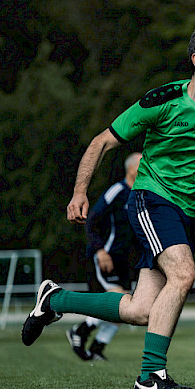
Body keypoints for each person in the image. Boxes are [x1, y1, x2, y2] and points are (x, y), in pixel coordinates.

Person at [22, 23, 195, 389]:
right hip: (151, 200)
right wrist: (80, 192)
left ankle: (54, 299)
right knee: (184, 275)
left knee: (142, 310)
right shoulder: (160, 101)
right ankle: (150, 375)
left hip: (190, 215)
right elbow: (101, 143)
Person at [66, 152, 142, 361]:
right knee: (117, 300)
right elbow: (92, 221)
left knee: (126, 307)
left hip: (125, 262)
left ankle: (98, 349)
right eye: (144, 163)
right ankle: (79, 331)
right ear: (132, 169)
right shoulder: (117, 191)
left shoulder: (141, 194)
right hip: (107, 256)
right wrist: (100, 250)